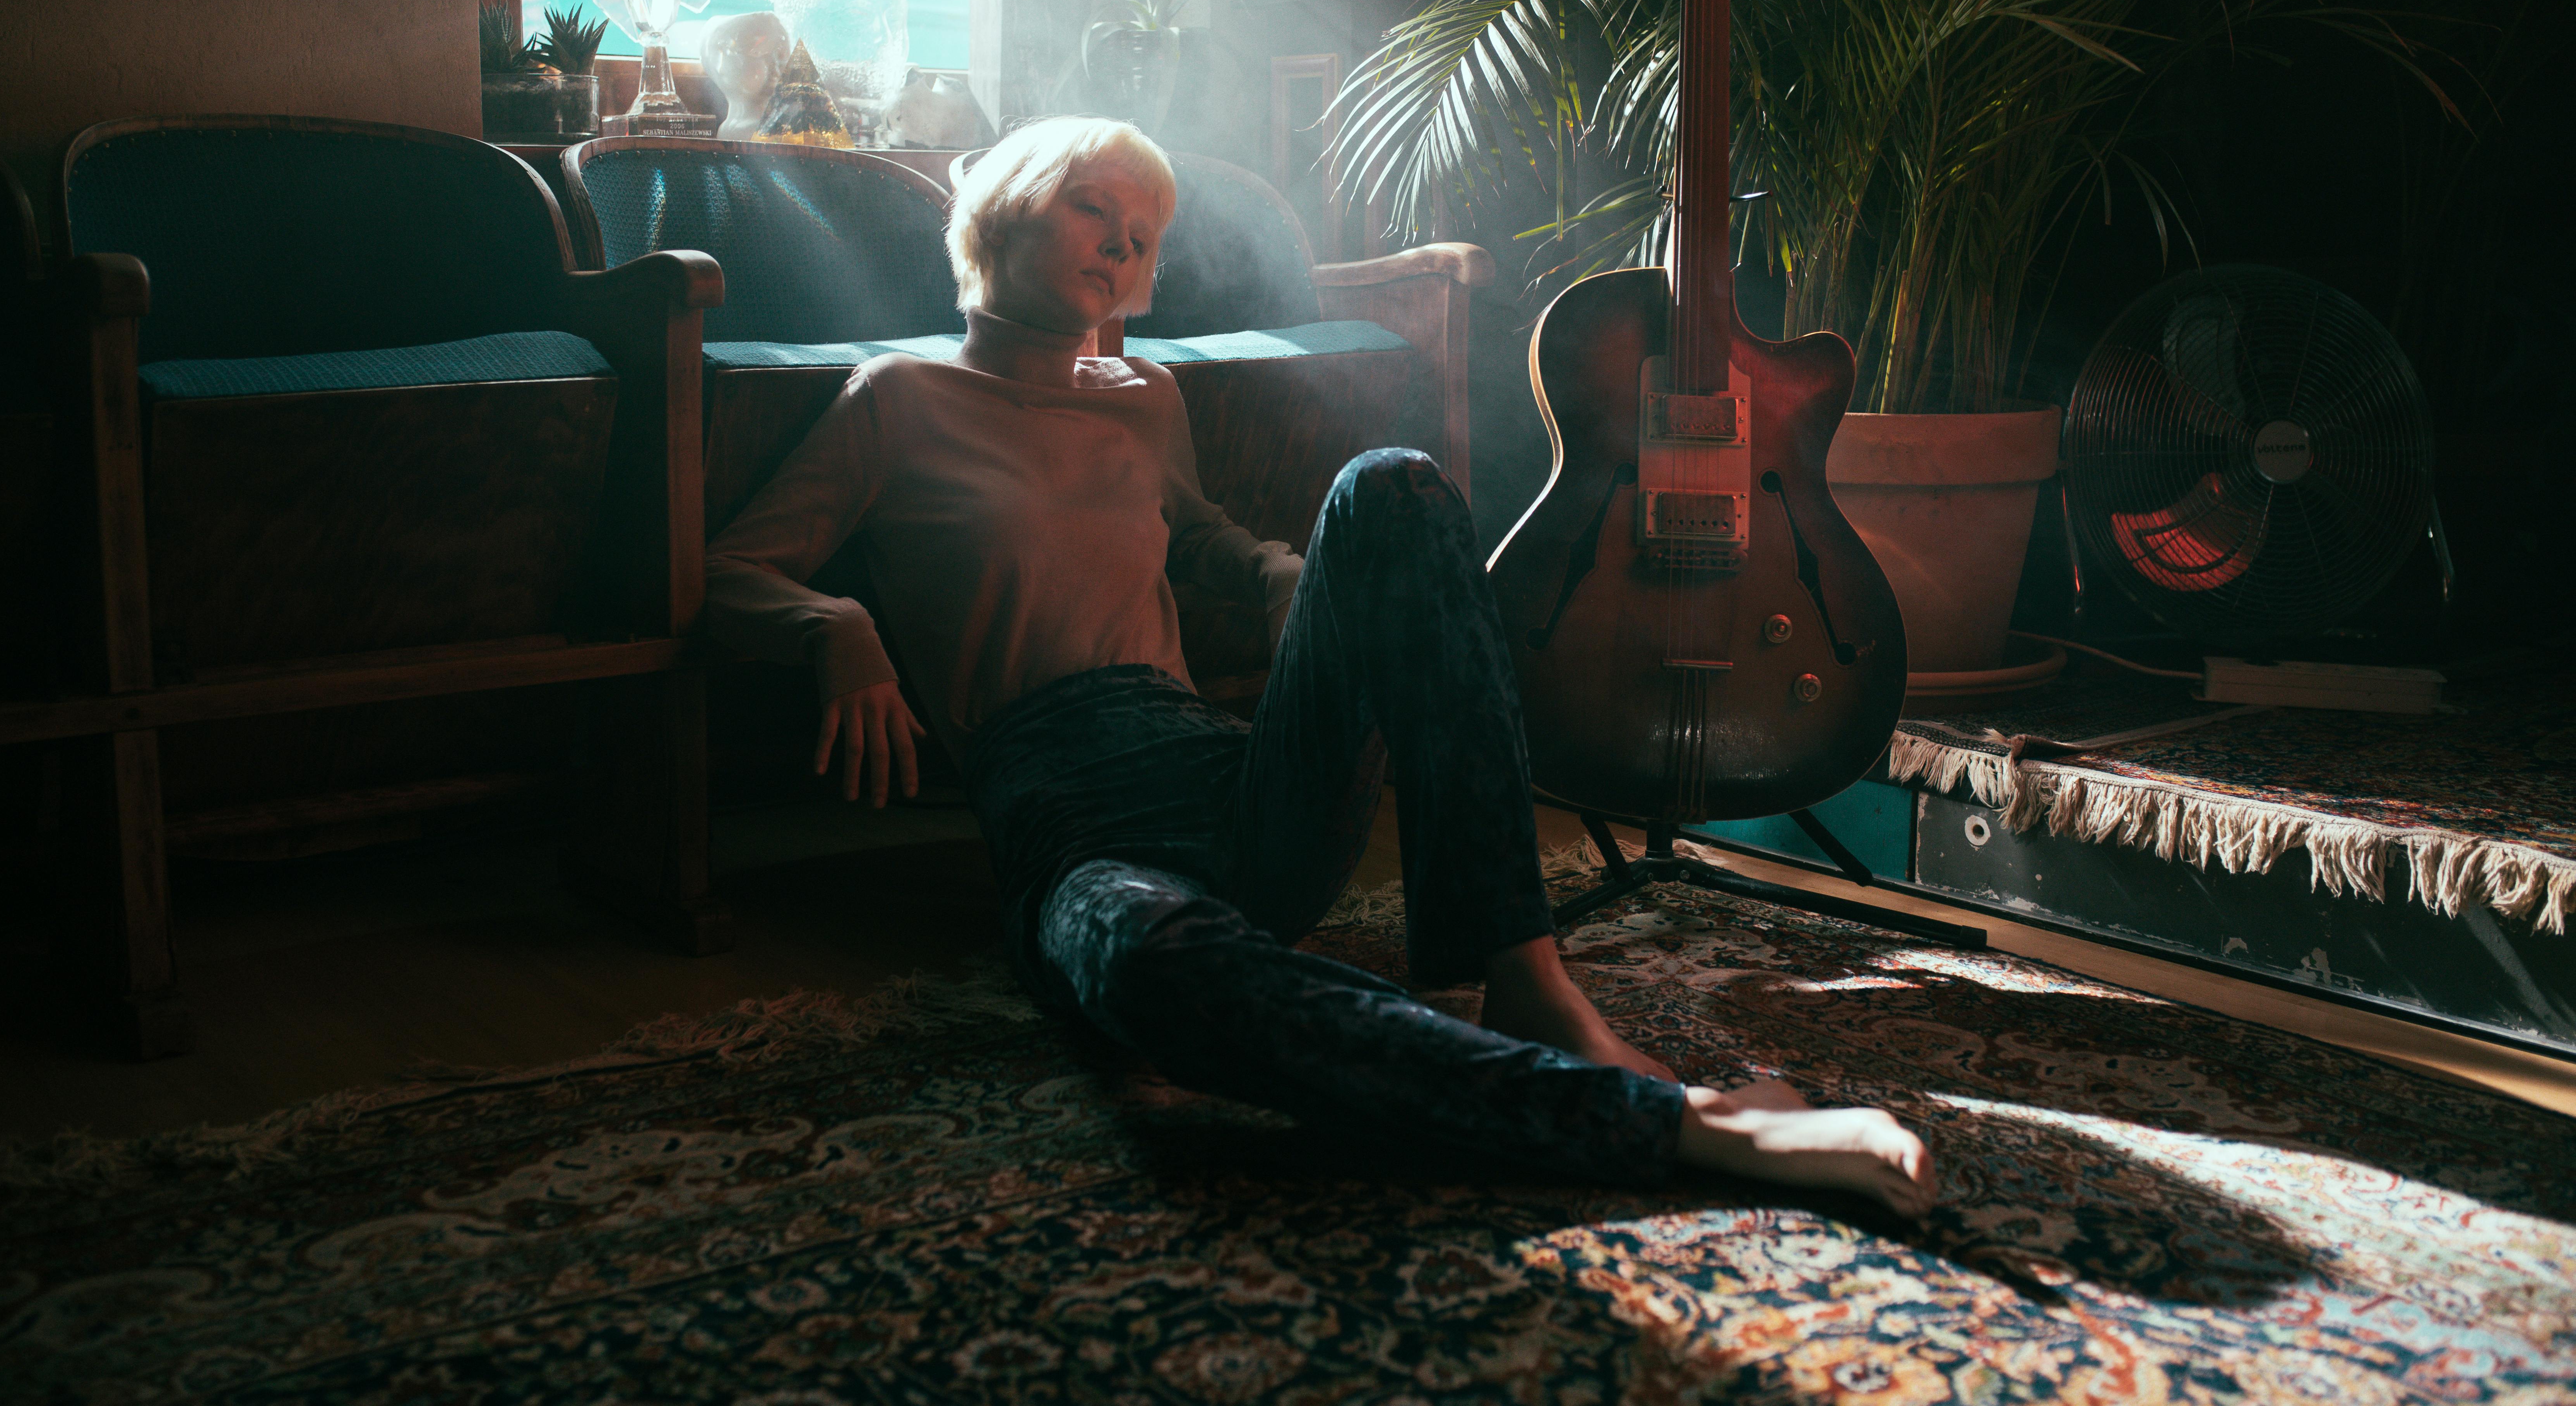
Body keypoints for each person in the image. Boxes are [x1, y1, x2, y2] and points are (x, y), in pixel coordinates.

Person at [703, 117, 1936, 1215]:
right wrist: (837, 630)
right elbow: (733, 569)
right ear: (1008, 205)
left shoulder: (1142, 395)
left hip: (1242, 788)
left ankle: (1530, 976)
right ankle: (1692, 1125)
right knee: (1145, 970)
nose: (1124, 249)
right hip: (1071, 827)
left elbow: (1194, 534)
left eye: (1144, 237)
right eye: (1097, 210)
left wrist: (1294, 578)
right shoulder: (895, 398)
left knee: (1390, 484)